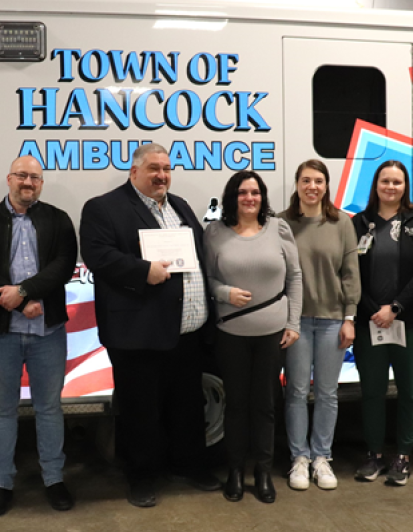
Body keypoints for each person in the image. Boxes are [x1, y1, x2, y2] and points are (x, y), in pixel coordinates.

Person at [79, 143, 221, 508]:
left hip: (186, 332)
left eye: (167, 168)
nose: (162, 175)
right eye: (154, 168)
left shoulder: (180, 206)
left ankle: (188, 465)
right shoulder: (103, 207)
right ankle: (141, 477)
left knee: (187, 406)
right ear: (134, 172)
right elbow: (98, 255)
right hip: (138, 334)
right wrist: (143, 271)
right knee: (141, 412)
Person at [0, 155, 77, 515]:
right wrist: (16, 301)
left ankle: (54, 480)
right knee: (2, 410)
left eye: (35, 178)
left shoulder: (58, 220)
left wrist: (24, 292)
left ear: (41, 184)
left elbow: (63, 266)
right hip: (2, 332)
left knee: (49, 408)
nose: (28, 182)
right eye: (22, 176)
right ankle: (1, 484)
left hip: (48, 331)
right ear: (9, 178)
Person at [204, 170, 302, 504]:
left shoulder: (279, 228)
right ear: (232, 197)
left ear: (262, 197)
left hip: (272, 335)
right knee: (235, 406)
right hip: (231, 333)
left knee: (265, 405)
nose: (250, 198)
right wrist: (224, 293)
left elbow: (295, 277)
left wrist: (293, 323)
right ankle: (234, 471)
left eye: (255, 192)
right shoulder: (214, 232)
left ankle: (262, 472)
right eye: (243, 192)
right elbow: (207, 278)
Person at [351, 160, 413, 487]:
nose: (390, 187)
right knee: (372, 392)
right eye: (385, 181)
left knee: (410, 392)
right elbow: (350, 273)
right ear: (376, 185)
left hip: (410, 322)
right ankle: (373, 454)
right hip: (369, 322)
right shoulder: (359, 223)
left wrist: (396, 308)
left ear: (405, 187)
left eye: (397, 182)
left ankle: (403, 456)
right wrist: (375, 310)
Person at [280, 159, 360, 491]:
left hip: (332, 321)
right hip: (294, 322)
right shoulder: (282, 223)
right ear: (297, 184)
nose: (312, 186)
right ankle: (299, 458)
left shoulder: (342, 223)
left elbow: (350, 273)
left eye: (318, 181)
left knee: (327, 393)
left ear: (326, 186)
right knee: (297, 391)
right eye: (306, 180)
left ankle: (321, 458)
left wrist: (349, 318)